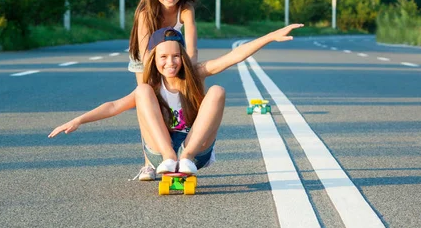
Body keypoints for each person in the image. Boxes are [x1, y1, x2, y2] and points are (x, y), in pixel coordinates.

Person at [49, 23, 303, 176]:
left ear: (182, 56)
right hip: (161, 152)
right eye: (163, 57)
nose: (170, 62)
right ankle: (171, 156)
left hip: (195, 151)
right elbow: (114, 106)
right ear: (154, 60)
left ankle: (185, 156)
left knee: (217, 91)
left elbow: (234, 56)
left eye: (175, 56)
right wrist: (79, 119)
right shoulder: (152, 86)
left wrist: (270, 37)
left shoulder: (195, 74)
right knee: (142, 92)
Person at [128, 0, 198, 180]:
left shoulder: (185, 9)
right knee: (148, 103)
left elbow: (192, 49)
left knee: (181, 100)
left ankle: (183, 151)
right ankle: (149, 162)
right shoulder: (145, 12)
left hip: (173, 54)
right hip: (146, 58)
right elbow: (146, 54)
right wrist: (157, 82)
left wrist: (190, 74)